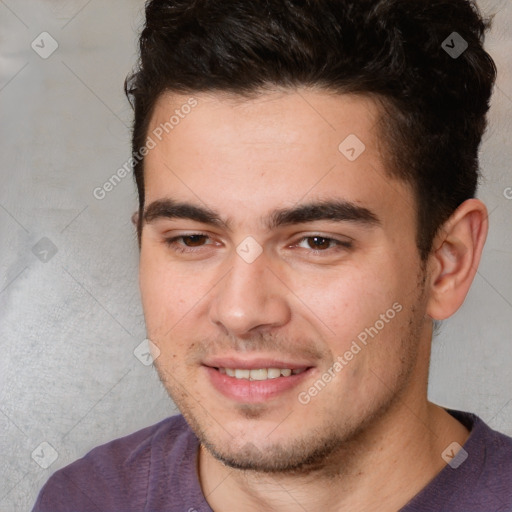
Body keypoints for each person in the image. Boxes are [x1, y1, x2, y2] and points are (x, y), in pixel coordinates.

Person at [32, 1, 512, 511]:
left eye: (317, 242)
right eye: (192, 239)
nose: (241, 312)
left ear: (447, 262)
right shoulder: (84, 500)